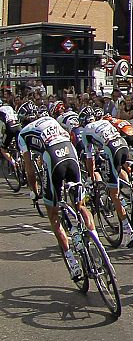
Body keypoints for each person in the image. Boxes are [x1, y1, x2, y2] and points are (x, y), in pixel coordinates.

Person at [18, 104, 94, 279]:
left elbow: (29, 170)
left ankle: (72, 262)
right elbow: (67, 137)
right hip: (70, 152)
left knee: (53, 214)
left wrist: (34, 190)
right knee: (80, 206)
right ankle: (95, 242)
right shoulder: (52, 120)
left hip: (53, 158)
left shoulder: (23, 133)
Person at [79, 110, 133, 246]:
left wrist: (92, 177)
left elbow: (90, 158)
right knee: (119, 170)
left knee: (113, 193)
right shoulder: (104, 122)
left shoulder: (86, 131)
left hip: (112, 150)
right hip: (123, 145)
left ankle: (128, 230)